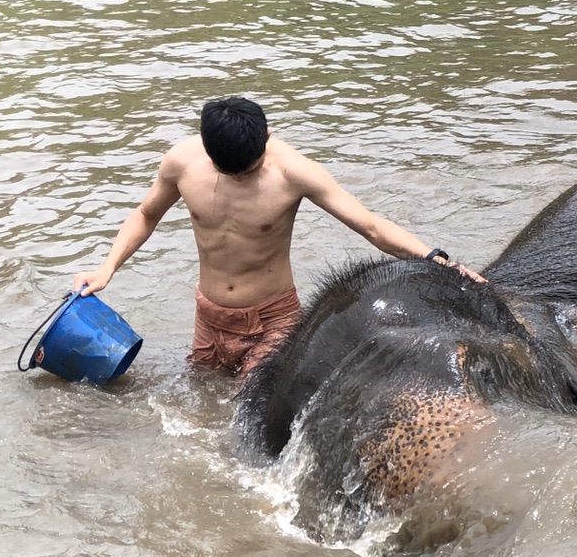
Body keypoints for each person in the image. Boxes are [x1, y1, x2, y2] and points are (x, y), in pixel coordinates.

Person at [75, 96, 483, 376]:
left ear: (267, 138)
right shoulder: (181, 162)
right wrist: (107, 268)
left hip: (274, 319)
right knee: (200, 410)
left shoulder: (294, 173)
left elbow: (371, 226)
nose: (238, 179)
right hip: (209, 317)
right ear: (207, 148)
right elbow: (146, 215)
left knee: (248, 423)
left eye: (248, 171)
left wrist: (438, 260)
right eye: (228, 173)